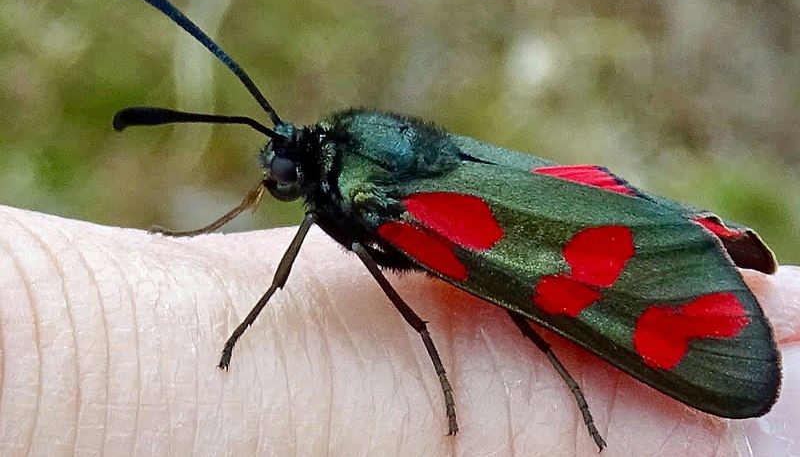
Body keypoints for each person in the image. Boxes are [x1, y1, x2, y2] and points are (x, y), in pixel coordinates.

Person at [0, 205, 795, 455]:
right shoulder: (347, 191)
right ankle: (682, 233)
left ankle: (687, 252)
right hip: (580, 204)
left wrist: (436, 354)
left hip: (644, 301)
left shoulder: (372, 201)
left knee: (507, 267)